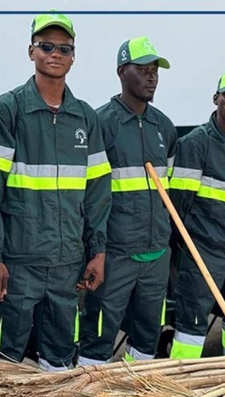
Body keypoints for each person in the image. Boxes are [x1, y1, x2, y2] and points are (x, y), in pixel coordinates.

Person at [0, 12, 112, 372]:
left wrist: (97, 251)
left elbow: (98, 193)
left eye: (64, 48)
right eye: (47, 46)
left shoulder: (85, 118)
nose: (55, 54)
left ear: (73, 56)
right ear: (31, 52)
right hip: (18, 263)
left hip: (68, 263)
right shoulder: (8, 109)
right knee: (5, 361)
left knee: (59, 361)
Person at [78, 36, 177, 365]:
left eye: (155, 71)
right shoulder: (100, 123)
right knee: (99, 339)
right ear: (122, 71)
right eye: (143, 69)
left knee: (147, 338)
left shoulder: (163, 126)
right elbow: (89, 197)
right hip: (116, 255)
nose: (152, 77)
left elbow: (169, 193)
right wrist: (97, 251)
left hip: (156, 255)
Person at [168, 70, 225, 358]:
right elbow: (179, 202)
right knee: (192, 324)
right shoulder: (195, 143)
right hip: (203, 248)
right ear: (216, 98)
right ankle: (180, 384)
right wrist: (187, 245)